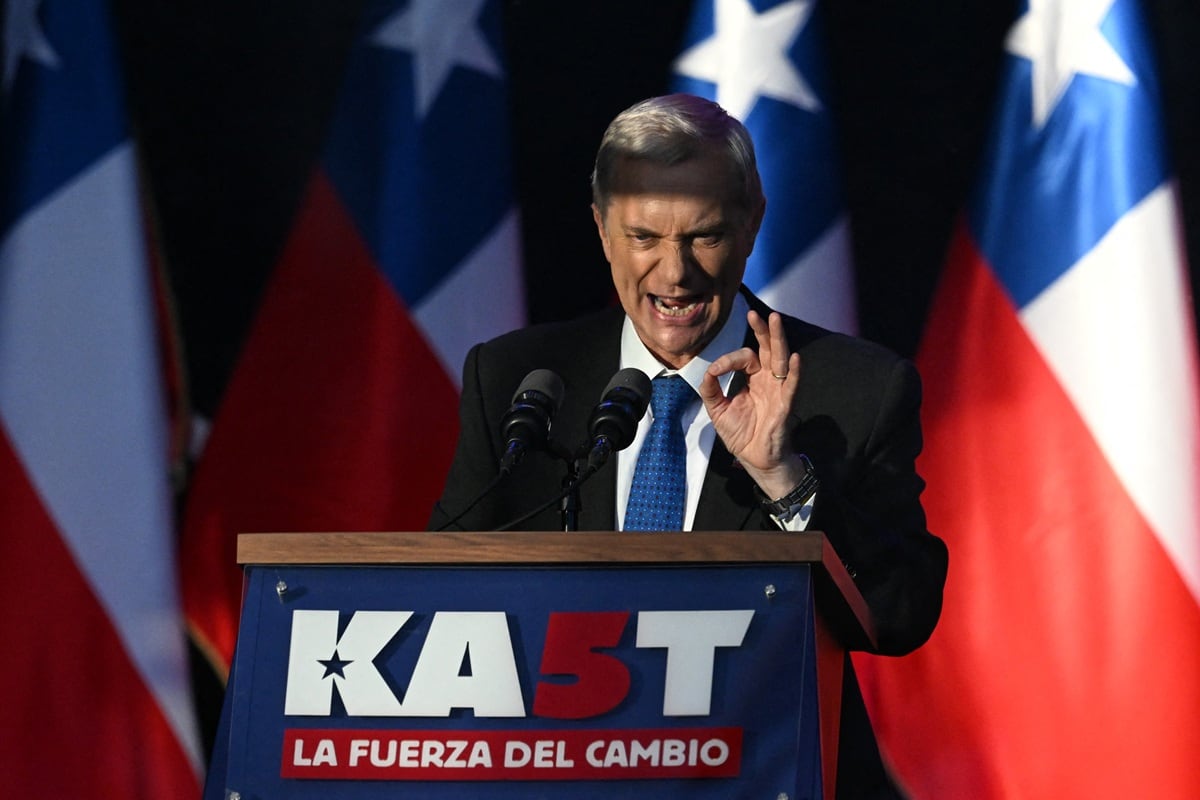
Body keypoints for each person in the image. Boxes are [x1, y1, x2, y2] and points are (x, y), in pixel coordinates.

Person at [429, 93, 948, 798]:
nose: (674, 274)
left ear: (751, 224)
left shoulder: (853, 388)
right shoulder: (517, 379)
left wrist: (784, 479)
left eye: (703, 236)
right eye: (644, 237)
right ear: (601, 229)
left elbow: (901, 614)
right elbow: (439, 593)